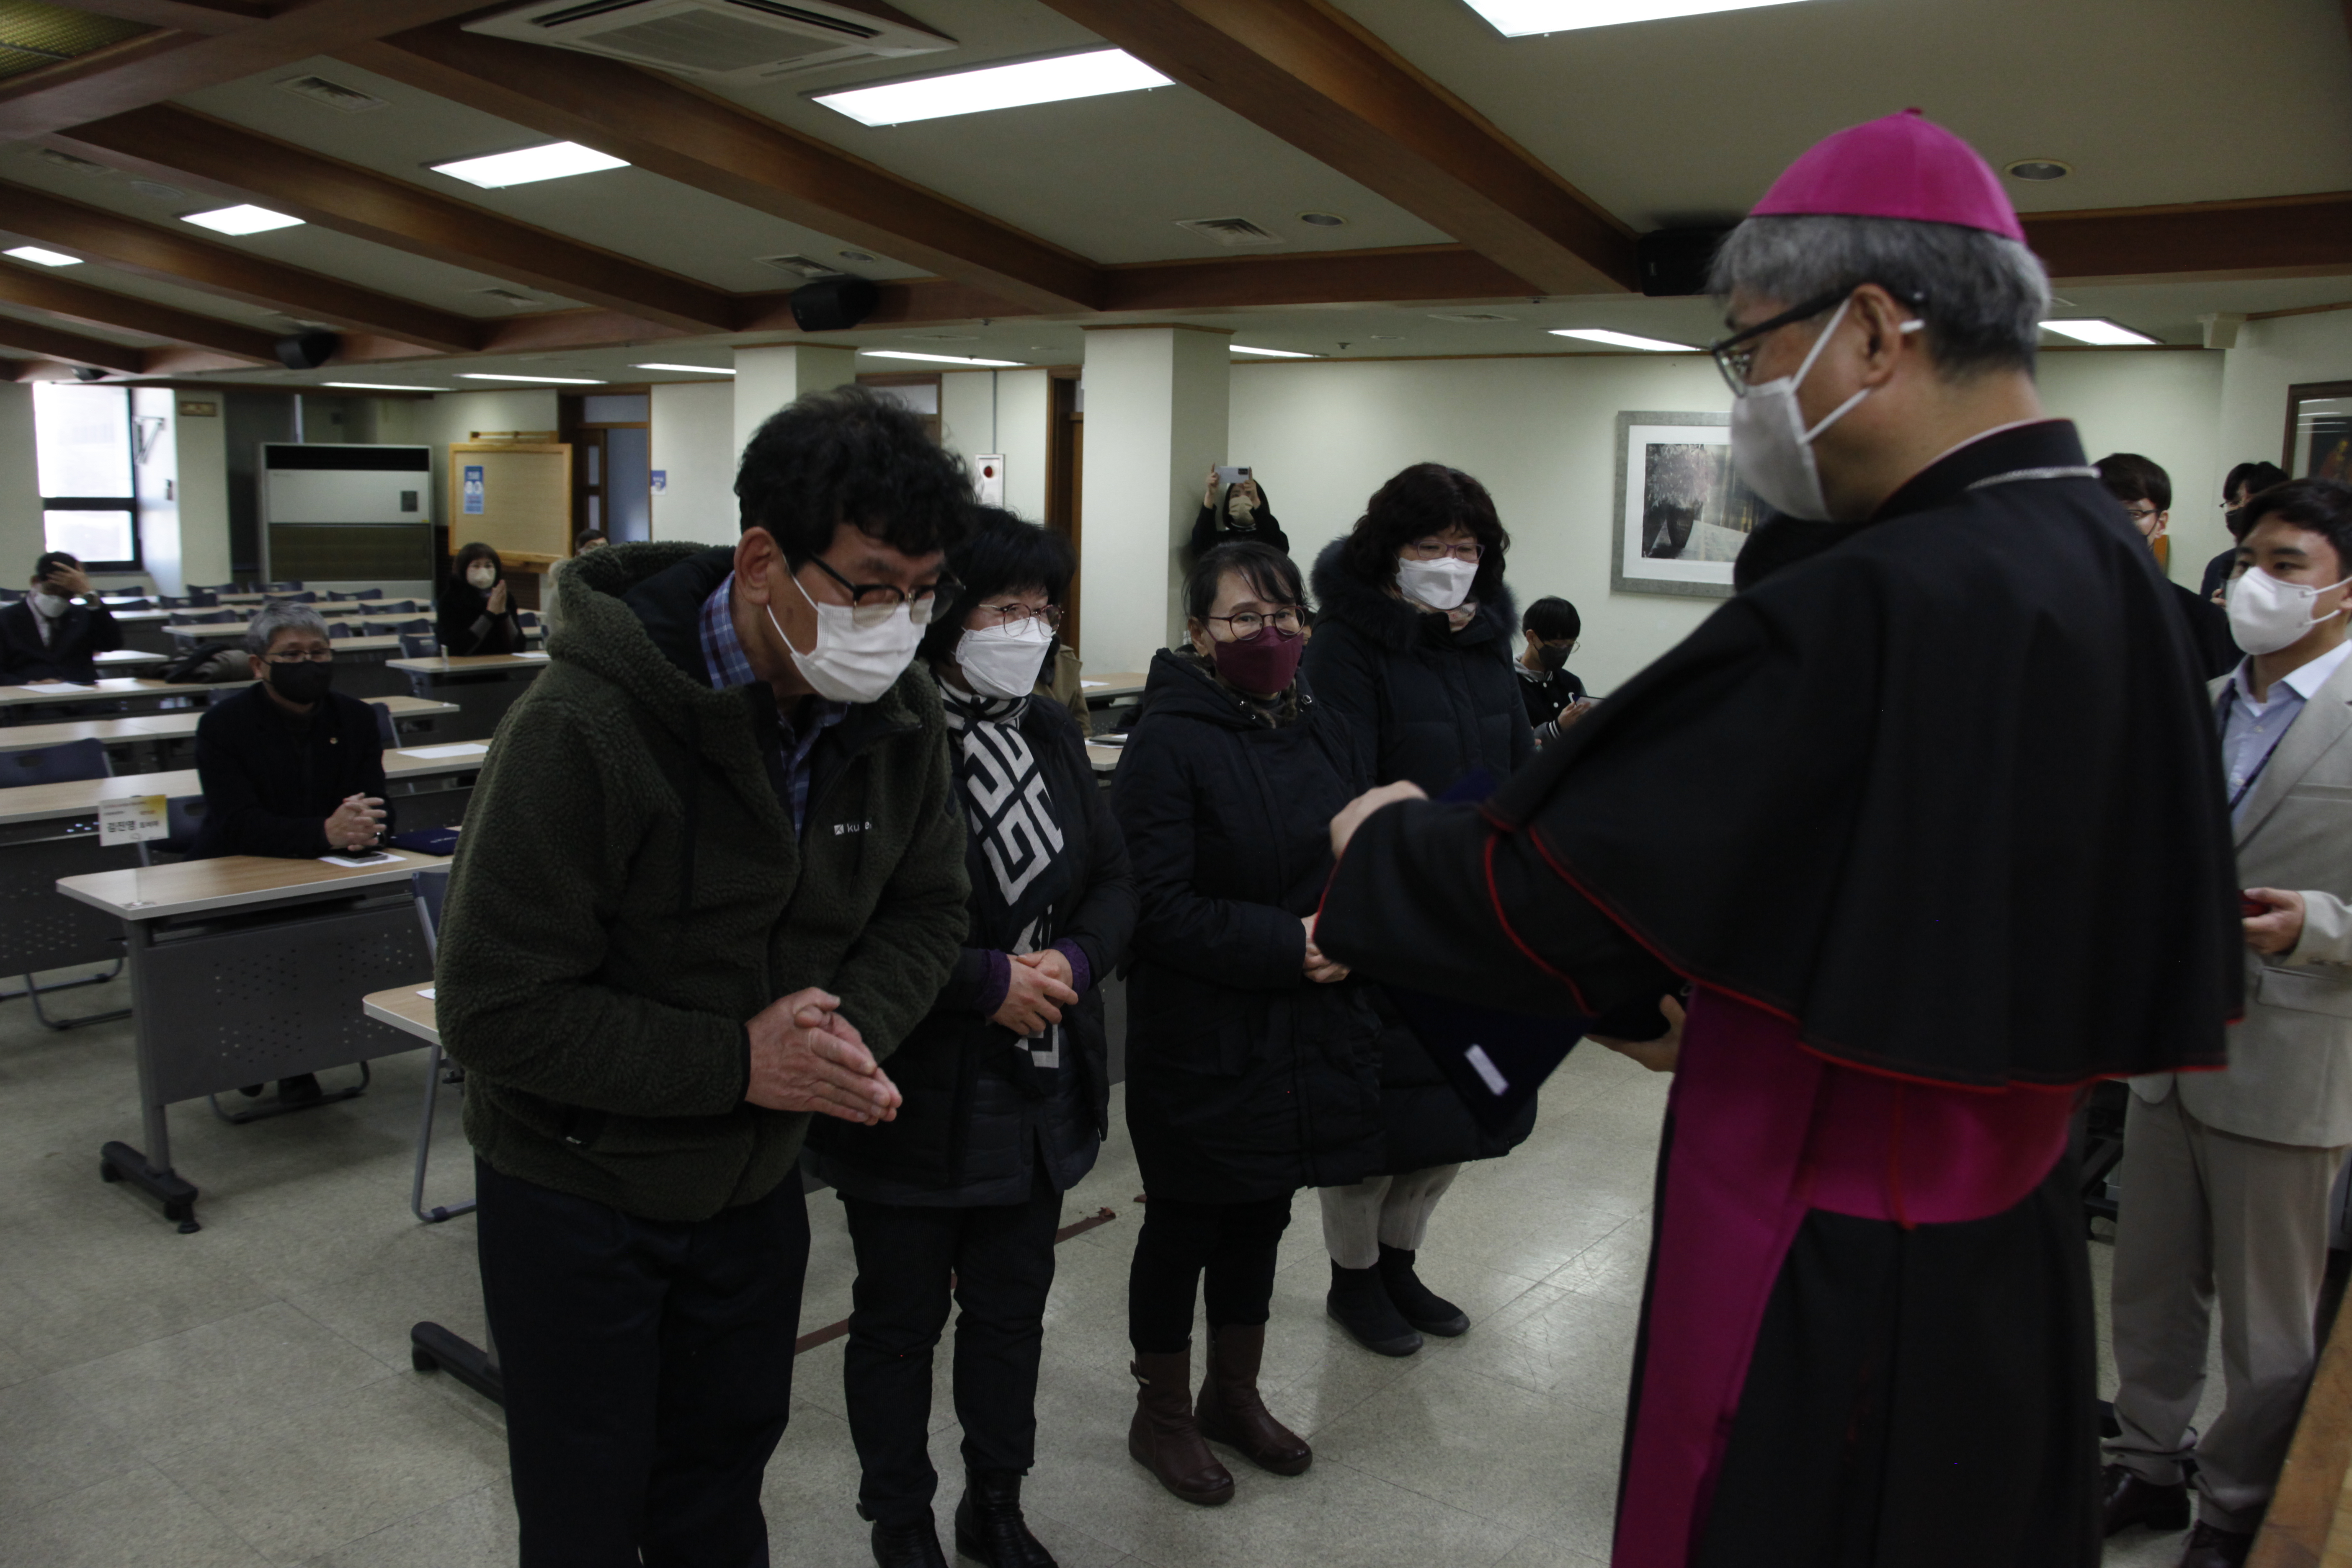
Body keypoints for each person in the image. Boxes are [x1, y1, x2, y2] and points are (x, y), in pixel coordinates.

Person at [1315, 110, 2239, 1568]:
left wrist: (1381, 844)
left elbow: (1560, 889)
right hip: (2006, 1212)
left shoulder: (1885, 594)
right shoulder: (2099, 562)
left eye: (1749, 350)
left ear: (1870, 330)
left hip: (1828, 1213)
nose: (1746, 393)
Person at [435, 385, 976, 1567]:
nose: (900, 623)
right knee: (586, 1510)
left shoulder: (902, 717)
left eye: (925, 593)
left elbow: (930, 909)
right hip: (578, 1189)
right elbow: (491, 1007)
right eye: (871, 586)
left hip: (753, 1186)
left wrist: (839, 1041)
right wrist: (741, 1059)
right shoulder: (582, 727)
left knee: (721, 1490)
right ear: (763, 560)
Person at [801, 508, 1136, 1568]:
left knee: (1010, 1313)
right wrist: (985, 980)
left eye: (1043, 610)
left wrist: (1074, 965)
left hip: (1040, 1080)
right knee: (896, 1322)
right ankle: (898, 1519)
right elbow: (834, 920)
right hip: (910, 1080)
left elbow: (1118, 879)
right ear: (947, 612)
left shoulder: (1044, 728)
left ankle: (996, 1497)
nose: (1028, 629)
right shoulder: (876, 734)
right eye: (1005, 607)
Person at [2104, 477, 2352, 1568]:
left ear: (2344, 589)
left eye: (2288, 565)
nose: (2259, 583)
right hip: (2170, 1058)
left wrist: (2320, 925)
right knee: (2152, 1287)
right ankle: (2149, 1463)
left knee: (2269, 1327)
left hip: (2293, 1064)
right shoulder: (2204, 700)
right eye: (2250, 559)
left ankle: (2237, 1503)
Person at [1110, 540, 1383, 1506]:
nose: (1269, 636)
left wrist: (1353, 928)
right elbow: (1156, 904)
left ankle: (1235, 1393)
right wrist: (1289, 941)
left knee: (1261, 1215)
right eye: (1243, 619)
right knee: (1183, 1223)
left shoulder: (1329, 727)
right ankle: (1163, 1413)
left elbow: (1358, 854)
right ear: (1198, 632)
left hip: (1302, 1025)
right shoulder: (1167, 740)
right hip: (1201, 1030)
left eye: (1284, 616)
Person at [1301, 464, 1537, 1356]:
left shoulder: (1485, 641)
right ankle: (1353, 1281)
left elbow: (1519, 771)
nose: (1449, 564)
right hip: (1393, 914)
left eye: (1465, 549)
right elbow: (1341, 787)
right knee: (1377, 1125)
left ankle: (1401, 1265)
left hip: (1478, 916)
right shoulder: (1348, 646)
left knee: (1457, 1122)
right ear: (1386, 554)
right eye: (1428, 548)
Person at [190, 600, 392, 1105]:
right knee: (268, 948)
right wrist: (326, 833)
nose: (309, 664)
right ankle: (262, 1052)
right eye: (292, 654)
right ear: (259, 666)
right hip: (240, 877)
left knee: (332, 938)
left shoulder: (357, 717)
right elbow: (238, 823)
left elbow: (377, 800)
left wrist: (364, 826)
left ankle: (300, 1056)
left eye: (319, 652)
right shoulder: (222, 726)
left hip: (328, 870)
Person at [2098, 453, 2236, 677]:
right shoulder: (2058, 609)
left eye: (2132, 513)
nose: (2115, 524)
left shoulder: (2198, 620)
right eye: (2102, 510)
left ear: (2161, 524)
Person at [0, 550, 121, 683]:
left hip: (82, 694)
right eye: (52, 589)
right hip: (28, 697)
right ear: (35, 582)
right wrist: (29, 684)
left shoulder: (83, 615)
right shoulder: (6, 619)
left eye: (67, 593)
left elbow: (111, 644)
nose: (58, 598)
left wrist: (89, 594)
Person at [2201, 463, 2290, 603]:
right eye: (2234, 502)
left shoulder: (2295, 566)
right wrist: (2213, 617)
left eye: (2252, 502)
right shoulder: (2218, 566)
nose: (2242, 509)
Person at [1516, 595, 1594, 743]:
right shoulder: (1507, 683)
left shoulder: (1572, 683)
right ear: (1532, 637)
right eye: (1558, 645)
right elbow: (1504, 743)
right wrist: (1556, 729)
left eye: (1570, 645)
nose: (1564, 652)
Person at [438, 541, 526, 656]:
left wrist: (503, 614)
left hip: (499, 668)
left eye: (488, 566)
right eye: (476, 566)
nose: (483, 571)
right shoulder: (450, 599)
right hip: (462, 671)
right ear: (464, 569)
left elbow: (518, 647)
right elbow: (457, 648)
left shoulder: (504, 597)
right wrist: (489, 614)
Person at [1188, 467, 1289, 560]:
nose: (1242, 499)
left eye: (1249, 494)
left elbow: (1278, 547)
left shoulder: (1273, 537)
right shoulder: (1221, 541)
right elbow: (1200, 549)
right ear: (1228, 504)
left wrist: (1255, 501)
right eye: (1236, 495)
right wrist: (1210, 496)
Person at [540, 530, 610, 639]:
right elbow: (558, 634)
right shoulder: (561, 591)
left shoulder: (616, 586)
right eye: (592, 547)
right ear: (578, 554)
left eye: (604, 547)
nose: (600, 552)